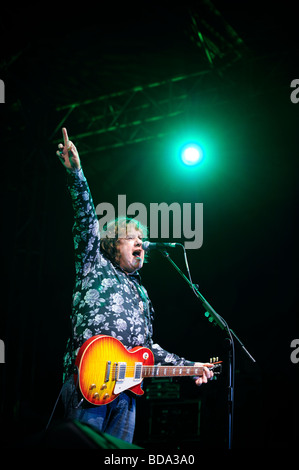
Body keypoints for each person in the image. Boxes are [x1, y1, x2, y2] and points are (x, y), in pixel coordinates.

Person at [56, 128, 213, 444]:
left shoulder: (141, 293)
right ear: (114, 243)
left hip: (126, 392)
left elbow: (148, 349)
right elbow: (85, 219)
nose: (142, 242)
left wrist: (191, 367)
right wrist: (77, 175)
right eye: (134, 238)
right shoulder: (93, 264)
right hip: (89, 381)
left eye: (143, 239)